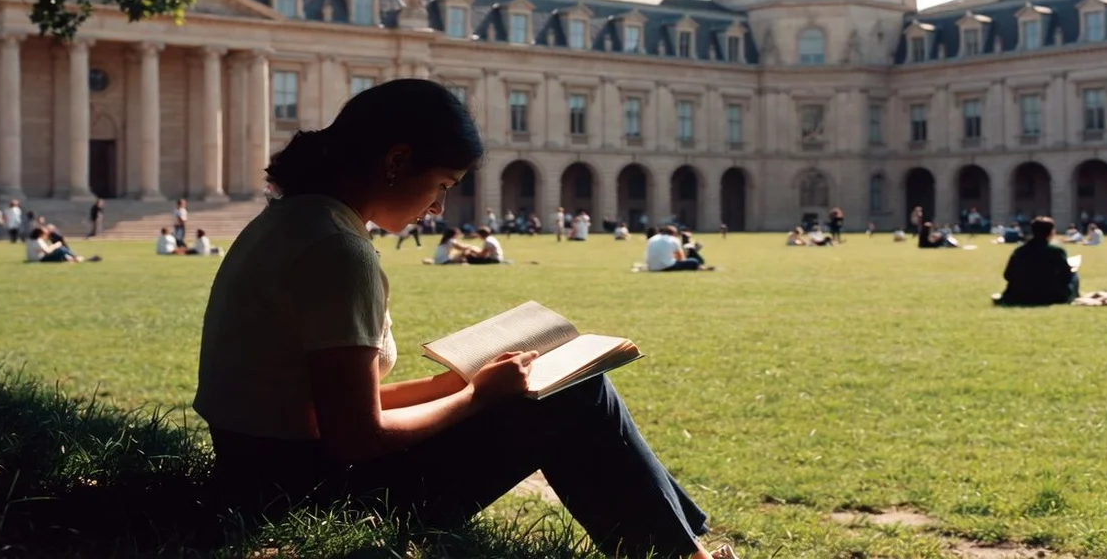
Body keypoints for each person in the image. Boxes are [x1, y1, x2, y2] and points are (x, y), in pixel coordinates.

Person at [192, 79, 730, 559]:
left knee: (567, 391)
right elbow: (356, 436)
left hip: (258, 475)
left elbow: (327, 406)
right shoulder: (338, 249)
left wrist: (450, 385)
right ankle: (683, 555)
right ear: (396, 161)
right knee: (578, 393)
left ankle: (686, 549)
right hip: (310, 493)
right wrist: (476, 397)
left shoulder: (291, 221)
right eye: (444, 185)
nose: (438, 209)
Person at [995, 217, 1079, 307]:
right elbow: (1066, 276)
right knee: (1074, 274)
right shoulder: (1057, 251)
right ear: (1051, 232)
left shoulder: (1020, 251)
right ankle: (1075, 296)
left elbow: (1007, 275)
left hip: (1019, 294)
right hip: (1050, 295)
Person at [644, 225, 709, 272]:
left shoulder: (652, 239)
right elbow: (681, 258)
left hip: (652, 267)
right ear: (674, 233)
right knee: (694, 261)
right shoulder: (673, 240)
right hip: (666, 267)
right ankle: (701, 267)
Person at [26, 227, 96, 263]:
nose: (46, 236)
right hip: (40, 259)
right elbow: (47, 251)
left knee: (61, 252)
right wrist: (56, 245)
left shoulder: (30, 240)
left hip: (35, 259)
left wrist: (54, 246)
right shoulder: (38, 241)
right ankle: (75, 257)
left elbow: (44, 250)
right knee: (62, 249)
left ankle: (74, 258)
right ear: (40, 234)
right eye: (45, 234)